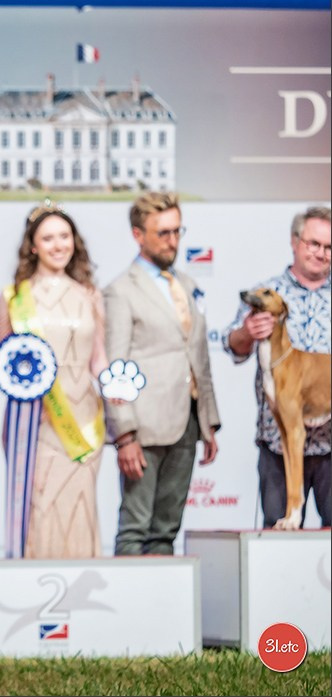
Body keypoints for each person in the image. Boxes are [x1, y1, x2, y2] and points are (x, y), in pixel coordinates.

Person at [104, 192, 221, 556]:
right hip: (145, 427)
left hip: (187, 420)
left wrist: (208, 422)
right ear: (139, 235)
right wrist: (124, 435)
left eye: (177, 231)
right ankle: (128, 607)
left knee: (167, 530)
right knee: (136, 528)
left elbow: (198, 355)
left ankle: (159, 606)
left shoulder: (185, 284)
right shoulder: (121, 291)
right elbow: (115, 366)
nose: (173, 240)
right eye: (163, 233)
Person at [0, 202, 108, 558]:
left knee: (81, 505)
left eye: (64, 236)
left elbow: (99, 359)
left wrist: (116, 384)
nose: (58, 245)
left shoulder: (91, 294)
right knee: (41, 504)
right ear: (32, 245)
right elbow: (3, 362)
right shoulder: (13, 296)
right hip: (36, 421)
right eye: (48, 238)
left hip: (85, 418)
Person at [222, 205, 331, 527]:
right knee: (275, 539)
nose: (321, 253)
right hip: (276, 443)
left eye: (328, 247)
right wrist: (246, 332)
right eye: (314, 243)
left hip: (330, 448)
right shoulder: (266, 293)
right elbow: (234, 347)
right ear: (295, 242)